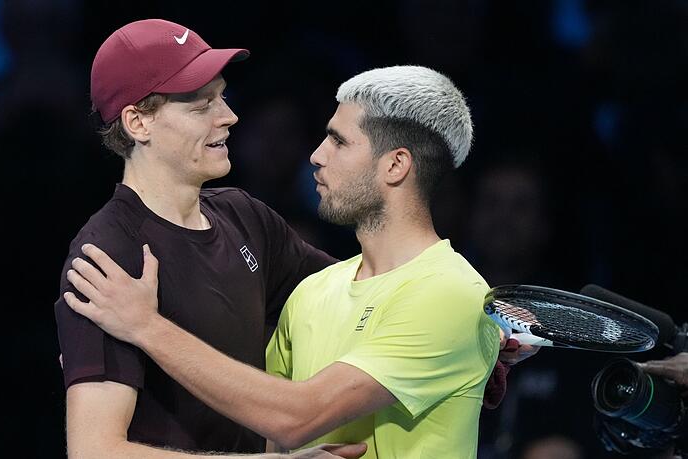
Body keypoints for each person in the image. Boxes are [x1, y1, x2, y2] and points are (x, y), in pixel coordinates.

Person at [64, 65, 509, 458]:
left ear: (395, 166)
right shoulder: (313, 290)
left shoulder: (451, 293)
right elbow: (266, 424)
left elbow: (295, 417)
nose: (316, 155)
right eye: (202, 104)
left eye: (338, 141)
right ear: (136, 122)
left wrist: (146, 327)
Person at [54, 18, 366, 459]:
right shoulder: (108, 255)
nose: (228, 116)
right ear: (138, 122)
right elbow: (95, 451)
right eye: (202, 106)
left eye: (222, 96)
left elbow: (358, 292)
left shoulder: (244, 216)